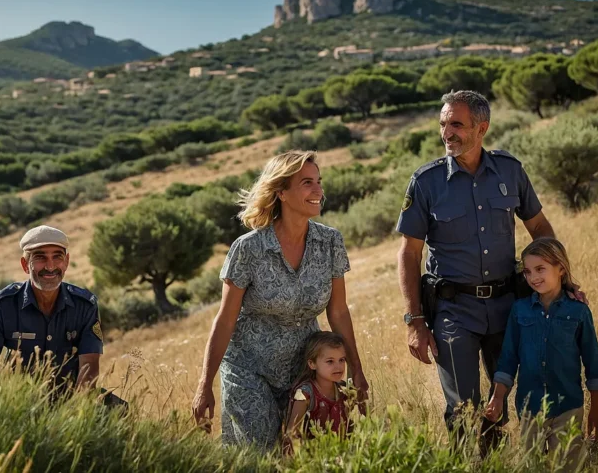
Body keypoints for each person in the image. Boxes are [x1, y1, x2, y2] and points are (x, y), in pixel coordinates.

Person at [396, 90, 562, 448]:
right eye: (443, 123)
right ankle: (467, 461)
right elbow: (409, 254)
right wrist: (415, 321)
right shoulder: (426, 182)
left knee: (505, 400)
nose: (446, 132)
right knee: (462, 406)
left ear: (481, 127)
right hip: (454, 310)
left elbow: (541, 229)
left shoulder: (509, 170)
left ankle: (498, 456)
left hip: (508, 306)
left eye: (456, 123)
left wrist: (558, 283)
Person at [192, 150, 368, 450]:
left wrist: (357, 369)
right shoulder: (248, 248)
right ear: (282, 193)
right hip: (249, 369)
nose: (318, 191)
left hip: (304, 368)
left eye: (319, 182)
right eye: (307, 183)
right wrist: (204, 384)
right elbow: (225, 319)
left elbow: (338, 311)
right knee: (260, 451)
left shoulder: (330, 242)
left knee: (305, 451)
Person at [485, 238, 598, 469]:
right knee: (533, 467)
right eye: (528, 272)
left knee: (568, 467)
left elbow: (593, 362)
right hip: (530, 410)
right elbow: (508, 358)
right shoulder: (520, 311)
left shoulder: (579, 311)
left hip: (568, 407)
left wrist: (596, 409)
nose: (533, 277)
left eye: (540, 269)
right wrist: (498, 396)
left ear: (560, 268)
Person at [0, 225, 103, 390]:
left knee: (122, 411)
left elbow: (89, 367)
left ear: (66, 262)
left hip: (72, 397)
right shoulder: (0, 306)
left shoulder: (85, 305)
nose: (50, 266)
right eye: (40, 258)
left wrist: (74, 411)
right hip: (19, 399)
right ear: (25, 264)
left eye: (57, 257)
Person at [282, 331, 355, 455]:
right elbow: (291, 431)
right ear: (312, 364)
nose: (338, 367)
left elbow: (348, 427)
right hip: (314, 457)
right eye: (330, 361)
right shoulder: (305, 394)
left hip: (340, 455)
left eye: (341, 360)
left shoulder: (343, 392)